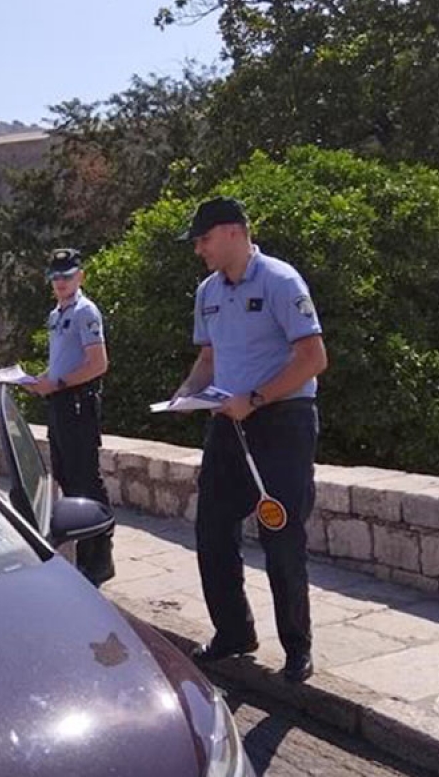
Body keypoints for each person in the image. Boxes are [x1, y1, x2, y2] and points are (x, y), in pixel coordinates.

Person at [173, 197, 327, 683]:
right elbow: (208, 359)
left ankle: (297, 648)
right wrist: (184, 394)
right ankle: (234, 632)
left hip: (282, 421)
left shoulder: (281, 281)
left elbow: (313, 358)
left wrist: (256, 399)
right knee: (212, 529)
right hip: (228, 422)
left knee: (281, 534)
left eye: (204, 239)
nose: (199, 249)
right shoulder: (207, 291)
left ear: (234, 232)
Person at [26, 248, 114, 587]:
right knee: (66, 475)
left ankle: (100, 556)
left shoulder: (85, 311)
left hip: (78, 402)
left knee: (85, 479)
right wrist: (42, 380)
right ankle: (84, 553)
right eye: (55, 276)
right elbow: (63, 361)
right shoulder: (56, 314)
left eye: (67, 275)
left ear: (80, 276)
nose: (60, 282)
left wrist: (58, 383)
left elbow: (98, 364)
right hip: (60, 402)